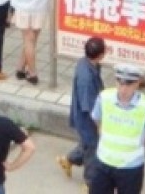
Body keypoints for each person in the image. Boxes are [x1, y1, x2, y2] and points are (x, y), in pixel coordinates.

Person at [90, 64, 145, 194]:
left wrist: (136, 144)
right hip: (103, 162)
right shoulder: (104, 97)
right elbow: (96, 119)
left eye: (128, 85)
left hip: (131, 167)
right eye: (120, 83)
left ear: (137, 83)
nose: (123, 89)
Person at [58, 36, 106, 185]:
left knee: (87, 143)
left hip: (84, 115)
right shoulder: (86, 78)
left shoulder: (86, 64)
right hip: (87, 119)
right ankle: (89, 183)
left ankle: (68, 160)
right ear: (100, 55)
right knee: (93, 148)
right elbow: (89, 107)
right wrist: (99, 125)